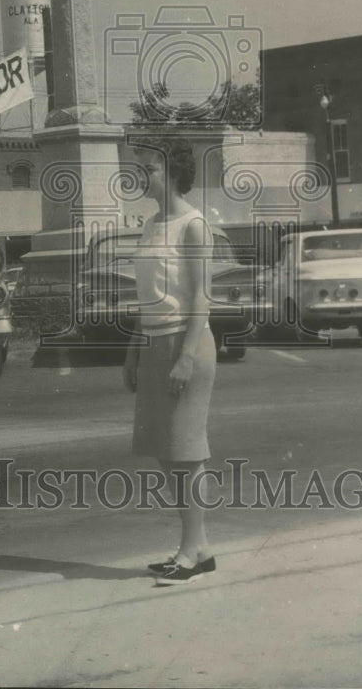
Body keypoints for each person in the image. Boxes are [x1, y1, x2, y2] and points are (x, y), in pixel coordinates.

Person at [123, 135, 217, 585]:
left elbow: (201, 296)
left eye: (151, 170)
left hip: (187, 343)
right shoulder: (151, 224)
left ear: (175, 174)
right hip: (153, 343)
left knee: (186, 451)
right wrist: (133, 352)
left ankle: (191, 552)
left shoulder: (194, 225)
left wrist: (186, 357)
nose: (143, 176)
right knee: (166, 452)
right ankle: (197, 546)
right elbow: (148, 296)